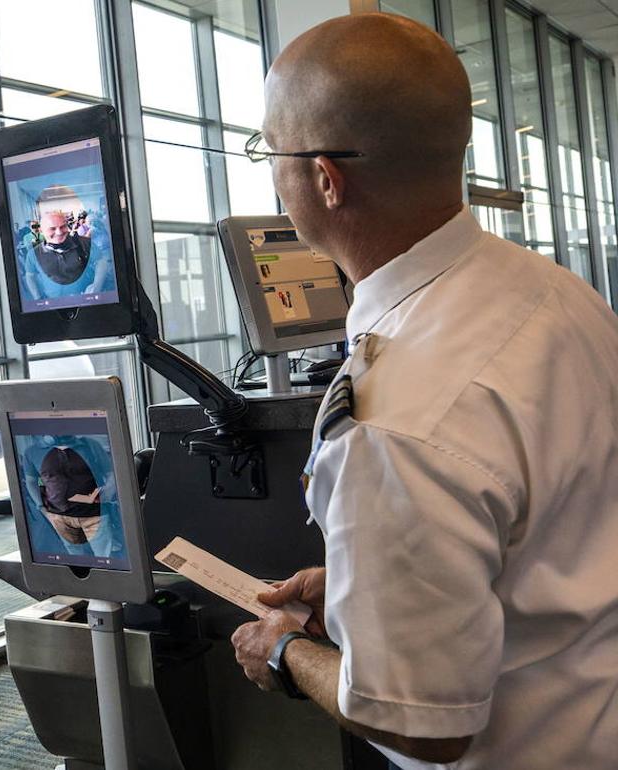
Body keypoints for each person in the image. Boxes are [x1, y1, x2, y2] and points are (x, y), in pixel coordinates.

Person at [228, 13, 618, 769]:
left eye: (269, 150)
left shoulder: (395, 422)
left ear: (324, 180)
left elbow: (425, 724)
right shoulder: (559, 295)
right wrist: (360, 579)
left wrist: (282, 653)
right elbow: (552, 523)